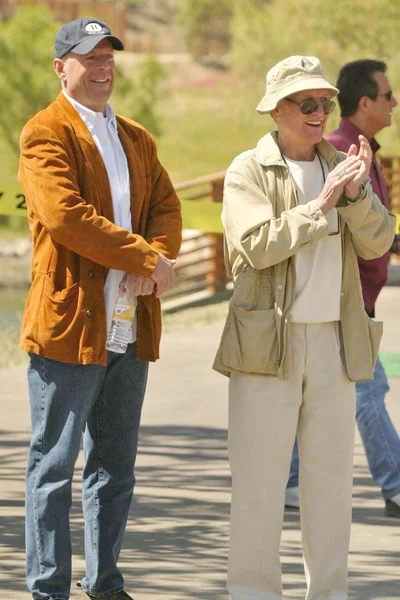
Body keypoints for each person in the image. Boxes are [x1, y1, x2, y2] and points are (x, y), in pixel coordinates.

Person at [213, 55, 396, 600]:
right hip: (267, 345)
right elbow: (253, 247)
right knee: (259, 490)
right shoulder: (248, 169)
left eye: (326, 102)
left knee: (330, 490)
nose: (319, 112)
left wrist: (358, 194)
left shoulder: (345, 165)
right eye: (306, 102)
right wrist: (321, 205)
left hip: (335, 345)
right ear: (276, 109)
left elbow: (379, 241)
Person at [19, 17, 182, 600]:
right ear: (61, 67)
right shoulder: (44, 132)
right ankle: (47, 589)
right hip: (68, 326)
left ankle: (105, 583)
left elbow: (165, 204)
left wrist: (157, 254)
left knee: (115, 467)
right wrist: (144, 258)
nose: (102, 67)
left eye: (108, 56)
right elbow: (66, 218)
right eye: (88, 58)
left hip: (128, 327)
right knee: (54, 465)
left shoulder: (135, 136)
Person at [285, 59, 400, 519]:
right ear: (367, 101)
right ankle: (395, 484)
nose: (395, 103)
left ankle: (291, 481)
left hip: (356, 301)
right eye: (389, 95)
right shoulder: (336, 151)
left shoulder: (359, 150)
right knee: (369, 391)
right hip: (341, 301)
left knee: (320, 393)